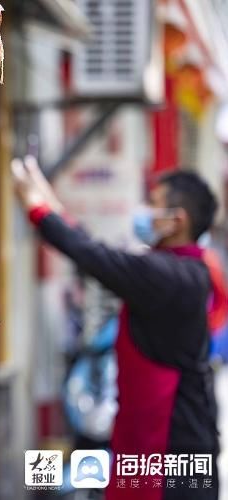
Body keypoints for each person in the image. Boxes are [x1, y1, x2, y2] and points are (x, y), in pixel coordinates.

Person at [12, 157, 220, 500]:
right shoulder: (182, 268)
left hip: (172, 454)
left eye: (152, 203)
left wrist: (38, 210)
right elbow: (91, 247)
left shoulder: (168, 275)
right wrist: (46, 198)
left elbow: (93, 256)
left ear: (177, 220)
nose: (143, 211)